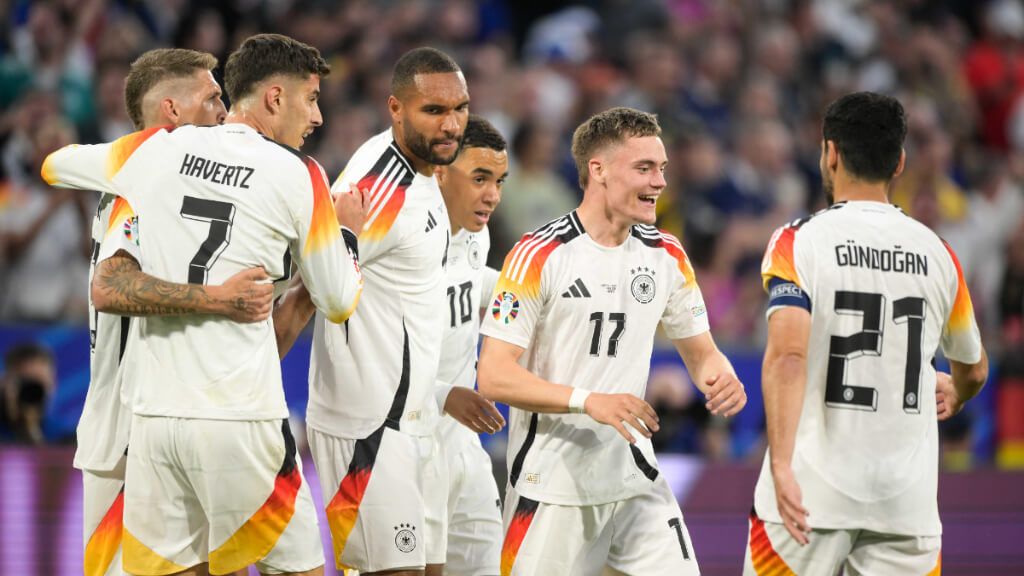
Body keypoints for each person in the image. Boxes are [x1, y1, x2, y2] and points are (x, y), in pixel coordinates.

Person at [43, 33, 366, 576]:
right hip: (234, 418)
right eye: (311, 99)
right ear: (275, 98)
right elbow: (337, 300)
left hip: (152, 422)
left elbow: (55, 165)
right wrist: (348, 236)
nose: (317, 116)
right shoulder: (299, 173)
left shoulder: (151, 155)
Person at [477, 106, 746, 576]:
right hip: (551, 485)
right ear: (597, 171)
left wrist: (720, 377)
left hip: (633, 476)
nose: (660, 181)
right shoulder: (538, 255)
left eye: (661, 168)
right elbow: (493, 375)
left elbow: (702, 354)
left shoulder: (666, 254)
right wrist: (588, 402)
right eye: (644, 168)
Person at [45, 47, 267, 576]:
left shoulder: (181, 188)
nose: (224, 109)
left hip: (176, 421)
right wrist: (221, 299)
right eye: (212, 97)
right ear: (171, 112)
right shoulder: (141, 189)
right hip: (129, 431)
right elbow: (110, 287)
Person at [746, 92, 989, 575]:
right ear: (899, 162)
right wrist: (954, 393)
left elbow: (788, 357)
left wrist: (780, 467)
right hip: (907, 508)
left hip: (809, 496)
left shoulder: (798, 241)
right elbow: (975, 370)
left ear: (830, 153)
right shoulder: (939, 253)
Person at [305, 46, 467, 576]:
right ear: (395, 108)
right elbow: (311, 284)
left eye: (460, 108)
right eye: (434, 111)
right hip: (369, 427)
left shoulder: (424, 173)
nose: (452, 125)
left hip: (415, 424)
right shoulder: (374, 190)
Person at [433, 114, 509, 575]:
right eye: (480, 178)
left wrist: (533, 298)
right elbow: (364, 342)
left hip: (463, 440)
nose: (493, 196)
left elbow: (471, 281)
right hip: (401, 438)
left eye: (500, 181)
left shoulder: (475, 233)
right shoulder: (399, 235)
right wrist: (442, 394)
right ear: (441, 171)